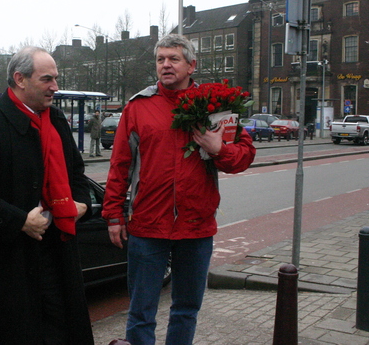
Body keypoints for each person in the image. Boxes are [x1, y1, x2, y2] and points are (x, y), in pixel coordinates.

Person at [102, 34, 256, 345]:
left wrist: (218, 149)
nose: (165, 65)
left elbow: (243, 157)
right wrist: (114, 216)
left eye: (173, 59)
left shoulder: (216, 106)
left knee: (186, 308)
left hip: (196, 227)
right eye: (160, 60)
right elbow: (120, 165)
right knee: (141, 311)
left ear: (191, 66)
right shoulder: (138, 107)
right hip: (147, 225)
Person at [0, 46, 95, 345]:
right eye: (47, 79)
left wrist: (81, 203)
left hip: (58, 249)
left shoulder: (56, 120)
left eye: (55, 79)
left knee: (61, 330)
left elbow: (76, 174)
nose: (55, 87)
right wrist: (18, 221)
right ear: (20, 79)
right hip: (10, 264)